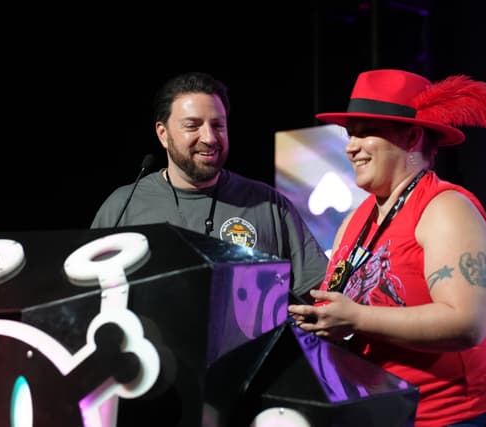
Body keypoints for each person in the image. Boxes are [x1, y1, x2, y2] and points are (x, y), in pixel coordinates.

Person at [288, 69, 486, 426]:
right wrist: (327, 321)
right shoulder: (357, 219)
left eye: (366, 133)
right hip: (385, 415)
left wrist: (356, 318)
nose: (350, 146)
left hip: (454, 418)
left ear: (411, 137)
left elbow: (467, 323)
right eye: (350, 134)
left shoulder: (445, 208)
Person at [91, 71, 328, 299]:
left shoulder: (267, 203)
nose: (210, 138)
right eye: (192, 126)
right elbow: (87, 291)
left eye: (218, 125)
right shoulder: (124, 205)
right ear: (163, 134)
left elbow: (317, 294)